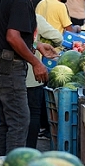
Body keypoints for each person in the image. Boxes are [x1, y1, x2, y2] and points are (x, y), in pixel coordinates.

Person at [0, 0, 57, 156]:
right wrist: (36, 63)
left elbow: (16, 36)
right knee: (19, 120)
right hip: (9, 66)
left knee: (9, 122)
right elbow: (12, 37)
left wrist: (36, 46)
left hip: (2, 63)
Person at [26, 14, 63, 148]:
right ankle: (29, 150)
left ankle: (6, 154)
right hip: (33, 75)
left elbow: (23, 41)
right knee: (33, 114)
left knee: (11, 119)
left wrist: (38, 43)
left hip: (15, 75)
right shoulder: (35, 17)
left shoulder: (10, 15)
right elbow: (58, 38)